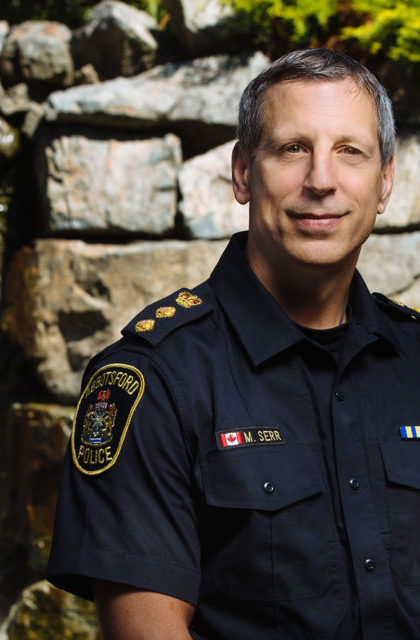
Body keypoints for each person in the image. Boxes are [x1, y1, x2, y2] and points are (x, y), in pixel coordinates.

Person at [46, 48, 420, 639]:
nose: (321, 180)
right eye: (292, 148)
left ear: (385, 181)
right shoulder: (151, 381)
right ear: (243, 172)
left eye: (350, 152)